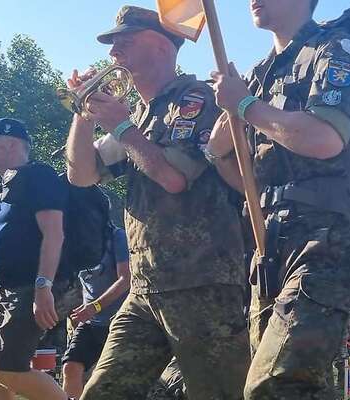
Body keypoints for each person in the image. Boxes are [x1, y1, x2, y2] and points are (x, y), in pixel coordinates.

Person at [64, 6, 250, 399]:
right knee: (103, 393)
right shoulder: (139, 116)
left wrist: (122, 126)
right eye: (113, 42)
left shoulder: (196, 97)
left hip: (201, 282)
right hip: (147, 286)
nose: (114, 51)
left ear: (165, 46)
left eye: (126, 40)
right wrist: (83, 112)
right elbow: (81, 176)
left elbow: (174, 178)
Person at [209, 0, 350, 397]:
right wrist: (221, 138)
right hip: (270, 241)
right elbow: (239, 169)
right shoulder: (258, 74)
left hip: (327, 237)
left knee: (274, 385)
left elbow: (324, 138)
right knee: (299, 386)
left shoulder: (333, 49)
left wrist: (246, 105)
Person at [0, 117, 69, 400]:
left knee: (9, 371)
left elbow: (54, 234)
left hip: (27, 286)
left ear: (11, 144)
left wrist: (43, 286)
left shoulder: (39, 177)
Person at [60, 225, 130, 398]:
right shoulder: (77, 243)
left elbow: (126, 278)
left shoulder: (117, 237)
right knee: (70, 367)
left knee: (111, 380)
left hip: (120, 322)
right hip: (90, 324)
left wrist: (95, 306)